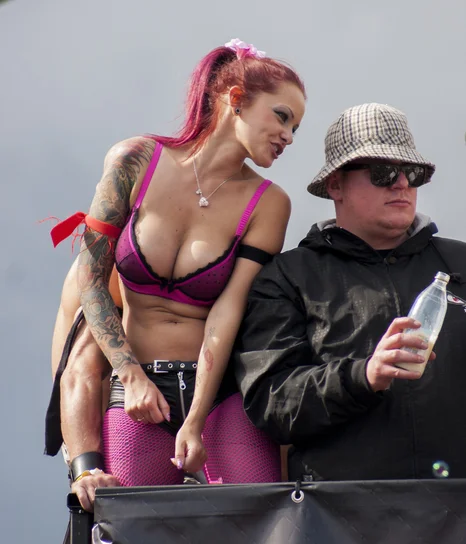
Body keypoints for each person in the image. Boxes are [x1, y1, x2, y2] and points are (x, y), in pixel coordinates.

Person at [45, 39, 306, 510]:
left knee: (263, 534)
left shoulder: (269, 203)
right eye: (282, 116)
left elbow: (227, 311)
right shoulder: (134, 160)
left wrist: (196, 419)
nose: (289, 136)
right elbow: (90, 281)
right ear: (235, 99)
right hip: (138, 394)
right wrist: (130, 374)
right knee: (122, 537)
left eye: (296, 128)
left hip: (222, 398)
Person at [236, 102, 466, 482]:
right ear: (335, 185)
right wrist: (362, 377)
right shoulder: (287, 277)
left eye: (410, 171)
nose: (401, 183)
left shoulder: (460, 262)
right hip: (344, 526)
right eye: (382, 171)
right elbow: (270, 402)